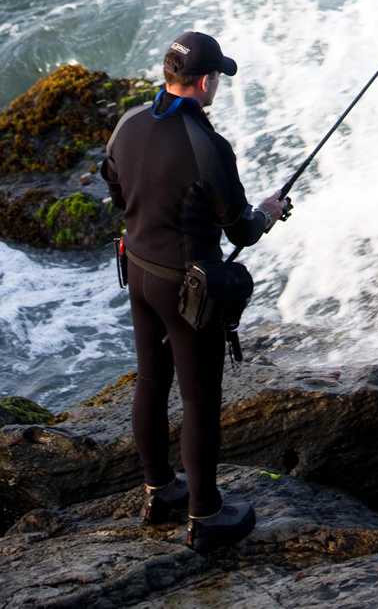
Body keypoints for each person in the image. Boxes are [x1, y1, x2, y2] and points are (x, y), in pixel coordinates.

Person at [102, 31, 289, 553]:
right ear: (205, 82)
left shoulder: (129, 122)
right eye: (217, 81)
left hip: (136, 270)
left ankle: (159, 490)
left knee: (151, 379)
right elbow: (241, 230)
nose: (216, 89)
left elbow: (116, 187)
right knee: (200, 399)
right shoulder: (208, 145)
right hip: (185, 289)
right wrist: (270, 211)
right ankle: (205, 516)